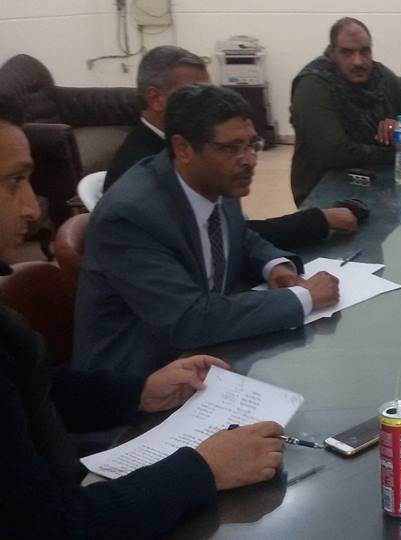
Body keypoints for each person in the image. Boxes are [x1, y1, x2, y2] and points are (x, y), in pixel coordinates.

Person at [0, 94, 285, 538]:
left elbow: (37, 387)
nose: (33, 208)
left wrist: (140, 392)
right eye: (14, 181)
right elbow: (51, 527)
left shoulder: (217, 186)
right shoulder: (133, 209)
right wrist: (202, 469)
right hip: (91, 466)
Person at [74, 84, 340, 377]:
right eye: (230, 148)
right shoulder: (130, 216)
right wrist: (303, 298)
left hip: (209, 349)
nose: (249, 160)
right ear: (183, 149)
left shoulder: (216, 181)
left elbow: (239, 236)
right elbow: (189, 320)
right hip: (139, 375)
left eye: (251, 145)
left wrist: (274, 265)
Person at [105, 45, 357, 249]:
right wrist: (316, 221)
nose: (207, 104)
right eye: (193, 93)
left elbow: (232, 229)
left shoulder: (202, 149)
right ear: (155, 98)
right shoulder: (138, 175)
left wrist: (272, 264)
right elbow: (222, 240)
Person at [290, 17, 401, 205]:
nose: (358, 61)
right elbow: (334, 153)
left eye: (365, 51)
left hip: (383, 186)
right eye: (347, 52)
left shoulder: (380, 75)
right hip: (326, 192)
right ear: (332, 52)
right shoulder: (313, 84)